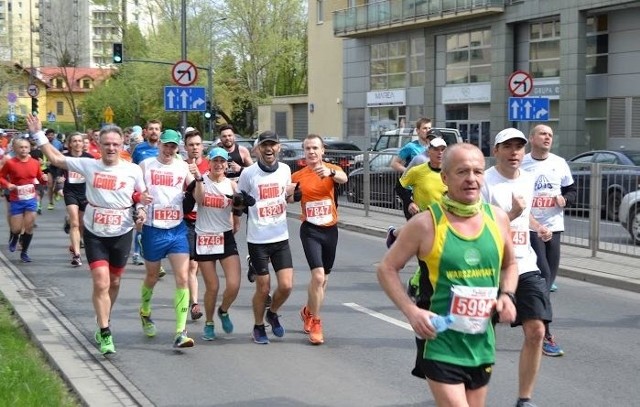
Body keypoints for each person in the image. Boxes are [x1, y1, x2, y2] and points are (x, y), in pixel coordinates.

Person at [377, 143, 518, 407]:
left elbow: (510, 264)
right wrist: (412, 311)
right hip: (439, 341)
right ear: (445, 177)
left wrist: (508, 295)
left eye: (477, 171)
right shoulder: (425, 224)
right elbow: (386, 268)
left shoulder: (498, 218)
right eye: (462, 172)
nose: (471, 179)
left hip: (481, 341)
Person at [27, 114, 147, 355]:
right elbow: (55, 157)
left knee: (113, 282)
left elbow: (140, 196)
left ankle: (105, 318)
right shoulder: (89, 164)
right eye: (107, 144)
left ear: (122, 145)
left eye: (115, 144)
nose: (111, 148)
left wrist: (141, 210)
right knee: (101, 281)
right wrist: (38, 134)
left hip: (122, 232)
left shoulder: (133, 170)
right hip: (95, 232)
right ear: (99, 145)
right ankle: (104, 332)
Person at [480, 128, 553, 407]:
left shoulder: (529, 180)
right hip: (486, 268)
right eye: (507, 146)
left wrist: (538, 226)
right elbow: (478, 228)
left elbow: (526, 215)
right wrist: (511, 215)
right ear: (495, 150)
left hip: (523, 263)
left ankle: (525, 399)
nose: (514, 152)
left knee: (537, 331)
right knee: (479, 336)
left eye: (519, 147)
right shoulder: (484, 181)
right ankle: (468, 389)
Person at [237, 130, 298, 344]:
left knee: (286, 286)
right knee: (263, 287)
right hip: (258, 239)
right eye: (265, 145)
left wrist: (293, 195)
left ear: (279, 147)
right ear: (258, 149)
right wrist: (243, 202)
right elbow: (238, 202)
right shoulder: (248, 173)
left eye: (273, 144)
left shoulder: (285, 170)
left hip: (280, 236)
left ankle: (272, 313)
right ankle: (258, 325)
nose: (269, 149)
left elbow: (287, 197)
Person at [137, 129, 196, 349]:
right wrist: (140, 208)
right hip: (153, 229)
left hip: (177, 228)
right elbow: (138, 193)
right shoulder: (146, 165)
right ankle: (144, 310)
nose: (169, 150)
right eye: (166, 145)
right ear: (159, 144)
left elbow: (195, 189)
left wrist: (198, 179)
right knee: (152, 276)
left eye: (173, 146)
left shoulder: (182, 166)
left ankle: (180, 332)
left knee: (182, 277)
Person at [521, 124, 576, 357]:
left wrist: (565, 199)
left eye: (551, 135)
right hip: (530, 227)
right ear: (532, 138)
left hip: (555, 228)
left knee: (549, 278)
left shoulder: (559, 163)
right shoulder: (522, 163)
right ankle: (545, 334)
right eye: (543, 134)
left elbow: (572, 190)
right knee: (543, 278)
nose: (547, 138)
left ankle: (524, 307)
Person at [293, 134, 348, 345]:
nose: (312, 152)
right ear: (304, 151)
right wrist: (290, 194)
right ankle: (316, 322)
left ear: (322, 150)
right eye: (308, 148)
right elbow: (288, 195)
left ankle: (308, 311)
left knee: (324, 279)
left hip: (330, 230)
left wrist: (331, 172)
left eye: (315, 148)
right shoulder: (297, 175)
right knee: (317, 277)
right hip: (310, 230)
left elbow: (344, 178)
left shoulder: (331, 169)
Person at [190, 147, 243, 340]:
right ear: (209, 162)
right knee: (212, 286)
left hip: (225, 236)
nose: (219, 164)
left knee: (234, 284)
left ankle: (224, 310)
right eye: (215, 161)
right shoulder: (201, 180)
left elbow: (238, 208)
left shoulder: (232, 185)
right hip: (204, 237)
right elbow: (200, 199)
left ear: (226, 163)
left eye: (222, 161)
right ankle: (209, 323)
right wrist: (197, 179)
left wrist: (238, 205)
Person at [391, 137, 448, 301]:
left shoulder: (451, 173)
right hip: (425, 224)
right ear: (429, 151)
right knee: (427, 263)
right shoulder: (418, 170)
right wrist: (409, 202)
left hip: (446, 224)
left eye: (443, 149)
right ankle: (424, 300)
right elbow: (400, 186)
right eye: (436, 149)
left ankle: (425, 292)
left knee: (441, 263)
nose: (440, 153)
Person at [0, 136, 48, 262]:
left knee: (29, 226)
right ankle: (15, 236)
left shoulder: (35, 163)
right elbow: (1, 177)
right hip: (16, 199)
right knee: (16, 228)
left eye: (26, 147)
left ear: (30, 148)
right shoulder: (10, 163)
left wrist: (44, 178)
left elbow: (39, 177)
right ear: (15, 149)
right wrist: (8, 184)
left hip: (31, 199)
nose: (23, 150)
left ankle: (24, 252)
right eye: (20, 147)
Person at [50, 132, 94, 266]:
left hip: (86, 193)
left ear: (83, 143)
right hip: (70, 192)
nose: (77, 143)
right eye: (74, 141)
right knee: (75, 223)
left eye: (79, 141)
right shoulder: (65, 158)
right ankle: (77, 255)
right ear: (69, 144)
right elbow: (57, 171)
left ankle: (76, 240)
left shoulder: (89, 158)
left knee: (82, 224)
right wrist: (59, 184)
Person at [182, 128, 210, 321]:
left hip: (209, 222)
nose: (195, 148)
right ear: (185, 147)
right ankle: (194, 304)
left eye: (198, 144)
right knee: (192, 266)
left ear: (203, 147)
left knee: (204, 267)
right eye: (191, 145)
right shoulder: (180, 166)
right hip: (188, 222)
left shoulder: (211, 165)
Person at [131, 120, 162, 268]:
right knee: (141, 223)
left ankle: (154, 257)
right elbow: (133, 170)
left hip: (160, 193)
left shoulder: (164, 148)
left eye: (156, 129)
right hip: (143, 192)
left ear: (160, 132)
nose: (154, 131)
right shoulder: (139, 149)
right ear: (146, 132)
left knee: (155, 226)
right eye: (151, 129)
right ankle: (137, 254)